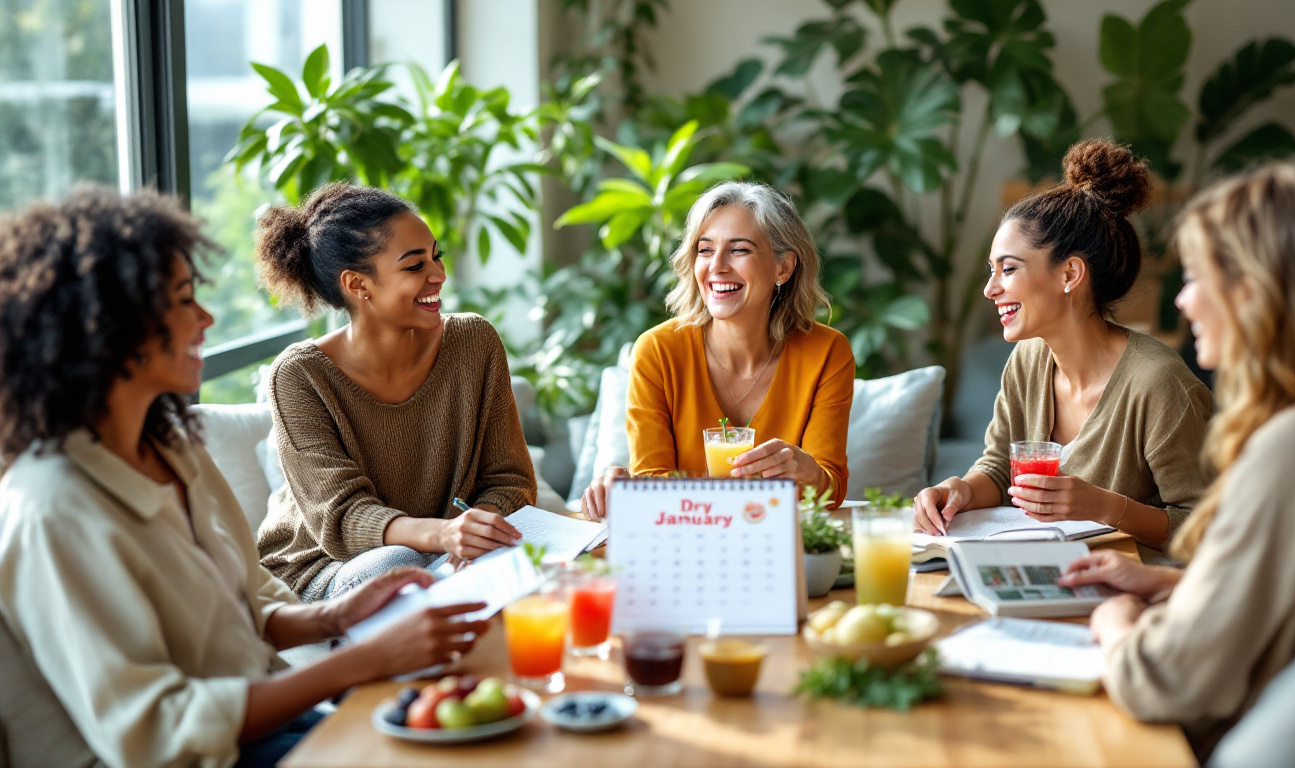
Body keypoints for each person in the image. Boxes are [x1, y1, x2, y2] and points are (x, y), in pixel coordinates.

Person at [0, 187, 491, 768]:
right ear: (109, 327)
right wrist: (363, 659)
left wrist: (341, 616)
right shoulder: (55, 509)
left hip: (273, 727)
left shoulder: (172, 446)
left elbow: (248, 604)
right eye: (184, 300)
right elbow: (156, 735)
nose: (206, 319)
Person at [1058, 163, 1295, 759]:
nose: (1183, 302)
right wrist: (1171, 582)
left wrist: (1116, 624)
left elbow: (1164, 678)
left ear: (1252, 289)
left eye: (1193, 277)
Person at [913, 140, 1212, 554]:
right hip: (1045, 573)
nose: (990, 289)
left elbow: (1204, 528)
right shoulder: (1028, 361)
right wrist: (959, 490)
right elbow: (1000, 469)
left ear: (1069, 273)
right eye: (991, 270)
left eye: (1009, 269)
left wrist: (1104, 506)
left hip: (1139, 595)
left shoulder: (1158, 384)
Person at [252, 182, 536, 600]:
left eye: (436, 257)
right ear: (357, 284)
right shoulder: (300, 376)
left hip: (442, 548)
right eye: (414, 266)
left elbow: (508, 478)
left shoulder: (474, 341)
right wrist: (445, 535)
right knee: (398, 566)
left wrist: (478, 531)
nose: (438, 275)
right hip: (330, 566)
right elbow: (344, 519)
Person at [582, 181, 854, 519]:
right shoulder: (657, 351)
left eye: (739, 250)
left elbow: (830, 490)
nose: (717, 266)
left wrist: (808, 472)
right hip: (687, 546)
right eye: (705, 249)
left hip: (782, 546)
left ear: (783, 267)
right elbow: (653, 480)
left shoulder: (828, 352)